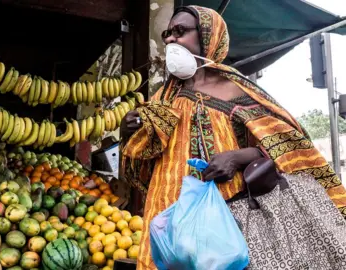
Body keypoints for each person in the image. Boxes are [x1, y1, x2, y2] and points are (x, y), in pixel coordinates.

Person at [120, 5, 346, 270]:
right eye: (168, 33)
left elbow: (287, 150)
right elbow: (143, 165)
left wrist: (237, 157)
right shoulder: (164, 97)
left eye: (180, 31)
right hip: (169, 218)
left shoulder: (237, 90)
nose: (171, 39)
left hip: (228, 219)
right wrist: (131, 134)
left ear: (208, 36)